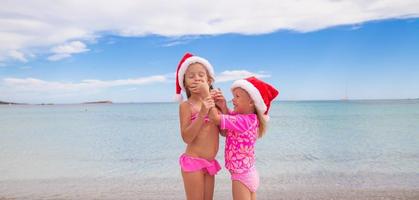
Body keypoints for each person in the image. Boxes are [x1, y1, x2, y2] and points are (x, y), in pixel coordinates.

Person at [206, 76, 279, 200]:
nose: (233, 100)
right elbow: (227, 126)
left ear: (251, 102)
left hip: (241, 177)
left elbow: (216, 119)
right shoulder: (248, 119)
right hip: (249, 173)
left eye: (237, 96)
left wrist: (208, 101)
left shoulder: (243, 120)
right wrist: (223, 106)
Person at [175, 52, 221, 200]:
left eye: (201, 75)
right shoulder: (186, 106)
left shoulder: (214, 102)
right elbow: (187, 138)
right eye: (191, 76)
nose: (197, 78)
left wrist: (224, 107)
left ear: (209, 80)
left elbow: (225, 131)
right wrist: (202, 112)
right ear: (185, 82)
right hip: (193, 162)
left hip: (210, 163)